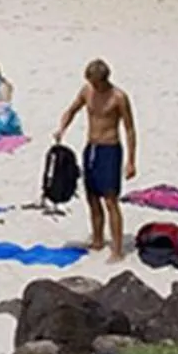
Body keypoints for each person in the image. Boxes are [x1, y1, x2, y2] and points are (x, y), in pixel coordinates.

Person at [54, 59, 138, 262]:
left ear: (103, 80)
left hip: (110, 149)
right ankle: (98, 240)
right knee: (92, 197)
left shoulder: (119, 97)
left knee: (110, 200)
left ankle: (117, 249)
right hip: (91, 148)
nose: (92, 85)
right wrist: (62, 128)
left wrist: (131, 161)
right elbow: (71, 110)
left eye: (94, 82)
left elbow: (129, 129)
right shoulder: (87, 91)